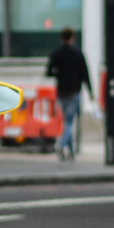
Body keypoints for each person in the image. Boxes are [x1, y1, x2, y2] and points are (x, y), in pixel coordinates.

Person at [45, 26, 94, 160]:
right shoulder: (77, 53)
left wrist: (59, 74)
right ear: (72, 38)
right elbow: (85, 73)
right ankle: (61, 144)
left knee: (67, 119)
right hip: (74, 91)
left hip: (61, 91)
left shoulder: (57, 53)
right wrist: (90, 91)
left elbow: (48, 72)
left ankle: (70, 151)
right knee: (70, 121)